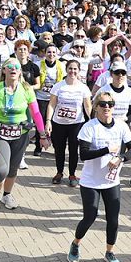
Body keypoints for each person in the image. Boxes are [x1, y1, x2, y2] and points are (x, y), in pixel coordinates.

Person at [68, 91, 131, 262]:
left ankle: (109, 252)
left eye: (110, 104)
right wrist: (106, 150)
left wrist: (121, 158)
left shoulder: (121, 126)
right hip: (90, 181)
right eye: (103, 104)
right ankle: (76, 243)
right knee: (90, 216)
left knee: (113, 219)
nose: (107, 107)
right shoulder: (89, 127)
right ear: (96, 107)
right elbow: (83, 154)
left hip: (111, 182)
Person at [0, 58, 49, 216]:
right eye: (9, 66)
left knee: (12, 169)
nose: (13, 69)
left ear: (20, 71)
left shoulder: (26, 89)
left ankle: (7, 195)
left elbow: (36, 113)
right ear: (4, 70)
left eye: (16, 66)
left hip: (20, 134)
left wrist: (42, 135)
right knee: (1, 169)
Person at [47, 59, 92, 187]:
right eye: (70, 68)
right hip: (59, 123)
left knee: (73, 149)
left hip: (76, 124)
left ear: (79, 71)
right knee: (59, 149)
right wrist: (48, 121)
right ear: (66, 70)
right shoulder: (58, 86)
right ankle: (59, 172)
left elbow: (87, 106)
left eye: (75, 69)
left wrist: (93, 120)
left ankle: (72, 174)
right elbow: (51, 105)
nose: (72, 71)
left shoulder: (83, 88)